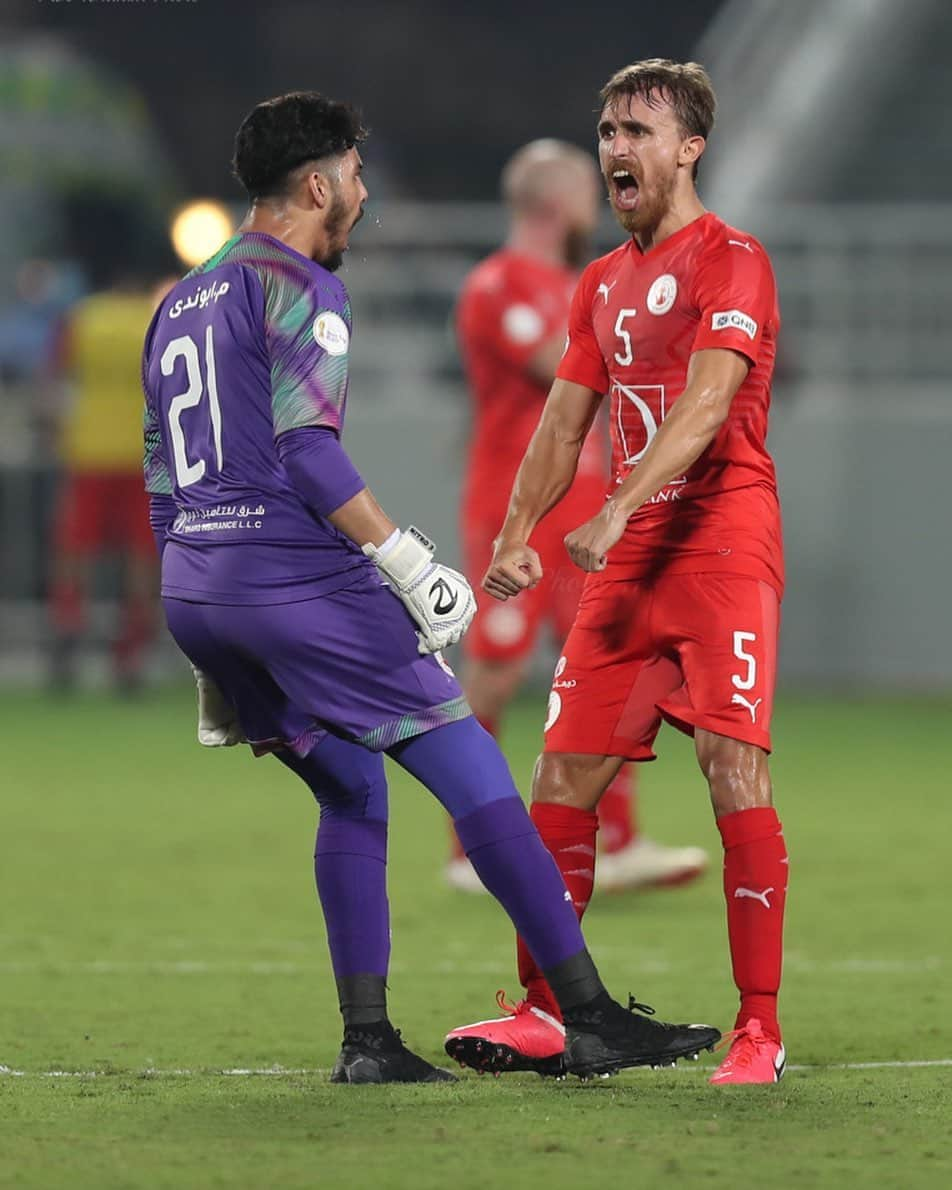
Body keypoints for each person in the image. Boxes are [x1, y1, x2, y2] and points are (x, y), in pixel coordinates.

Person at [141, 91, 720, 1085]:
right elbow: (309, 455)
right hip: (293, 580)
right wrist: (406, 561)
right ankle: (585, 1014)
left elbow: (162, 474)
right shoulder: (299, 286)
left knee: (353, 786)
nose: (362, 197)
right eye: (357, 177)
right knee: (469, 760)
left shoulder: (178, 300)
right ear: (318, 183)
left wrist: (205, 619)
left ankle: (367, 1042)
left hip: (198, 586)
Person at [446, 60, 788, 1085]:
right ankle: (547, 1012)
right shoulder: (599, 282)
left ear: (689, 148)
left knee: (731, 767)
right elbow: (561, 421)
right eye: (605, 130)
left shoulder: (734, 258)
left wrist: (619, 503)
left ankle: (758, 1028)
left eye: (637, 129)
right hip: (626, 554)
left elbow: (710, 401)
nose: (615, 148)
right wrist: (518, 531)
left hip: (721, 541)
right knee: (560, 774)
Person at [449, 138, 707, 895]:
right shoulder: (498, 284)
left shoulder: (581, 284)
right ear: (559, 201)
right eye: (594, 190)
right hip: (514, 510)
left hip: (589, 510)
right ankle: (472, 850)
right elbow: (563, 367)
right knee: (494, 673)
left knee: (607, 671)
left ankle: (616, 840)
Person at [47, 276, 161, 690]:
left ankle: (68, 628)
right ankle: (131, 648)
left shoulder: (80, 319)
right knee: (140, 554)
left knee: (75, 547)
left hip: (88, 449)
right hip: (140, 451)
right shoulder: (154, 320)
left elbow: (55, 378)